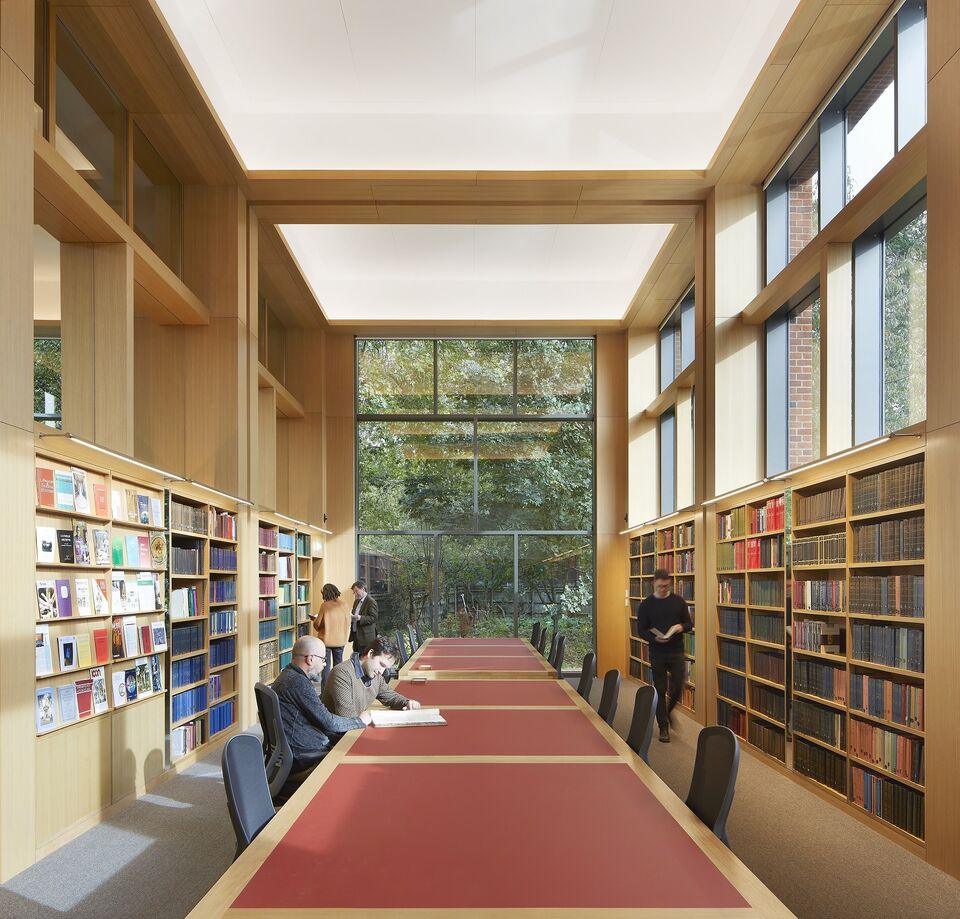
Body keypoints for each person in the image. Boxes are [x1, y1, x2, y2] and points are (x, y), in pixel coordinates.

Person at [271, 635, 371, 772]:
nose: (325, 664)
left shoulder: (287, 676)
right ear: (310, 659)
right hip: (305, 755)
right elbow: (328, 722)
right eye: (323, 660)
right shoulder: (298, 683)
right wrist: (359, 721)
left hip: (295, 748)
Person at [635, 569, 693, 744]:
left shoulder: (678, 601)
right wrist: (655, 638)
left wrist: (679, 628)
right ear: (654, 584)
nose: (662, 589)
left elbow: (689, 624)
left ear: (669, 584)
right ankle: (663, 727)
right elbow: (641, 630)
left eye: (666, 586)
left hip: (676, 650)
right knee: (660, 689)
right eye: (659, 586)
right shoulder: (646, 605)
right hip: (657, 652)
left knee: (678, 685)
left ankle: (668, 712)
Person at [322, 636, 421, 719]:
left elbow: (390, 697)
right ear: (370, 653)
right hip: (338, 738)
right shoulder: (342, 673)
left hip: (355, 729)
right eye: (381, 664)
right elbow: (347, 718)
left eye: (385, 668)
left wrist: (407, 703)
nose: (381, 672)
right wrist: (371, 716)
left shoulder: (375, 675)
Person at [311, 583, 351, 687]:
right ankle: (339, 690)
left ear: (325, 593)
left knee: (326, 668)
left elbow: (318, 624)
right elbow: (348, 622)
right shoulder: (344, 605)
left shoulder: (325, 605)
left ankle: (325, 694)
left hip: (326, 642)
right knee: (339, 667)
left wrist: (314, 619)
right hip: (340, 641)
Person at [348, 579, 378, 654]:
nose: (355, 594)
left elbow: (373, 618)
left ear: (363, 589)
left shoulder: (371, 601)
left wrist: (360, 618)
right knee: (356, 658)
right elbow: (353, 613)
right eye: (354, 592)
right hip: (356, 636)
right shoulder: (356, 601)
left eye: (356, 591)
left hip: (365, 638)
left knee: (364, 659)